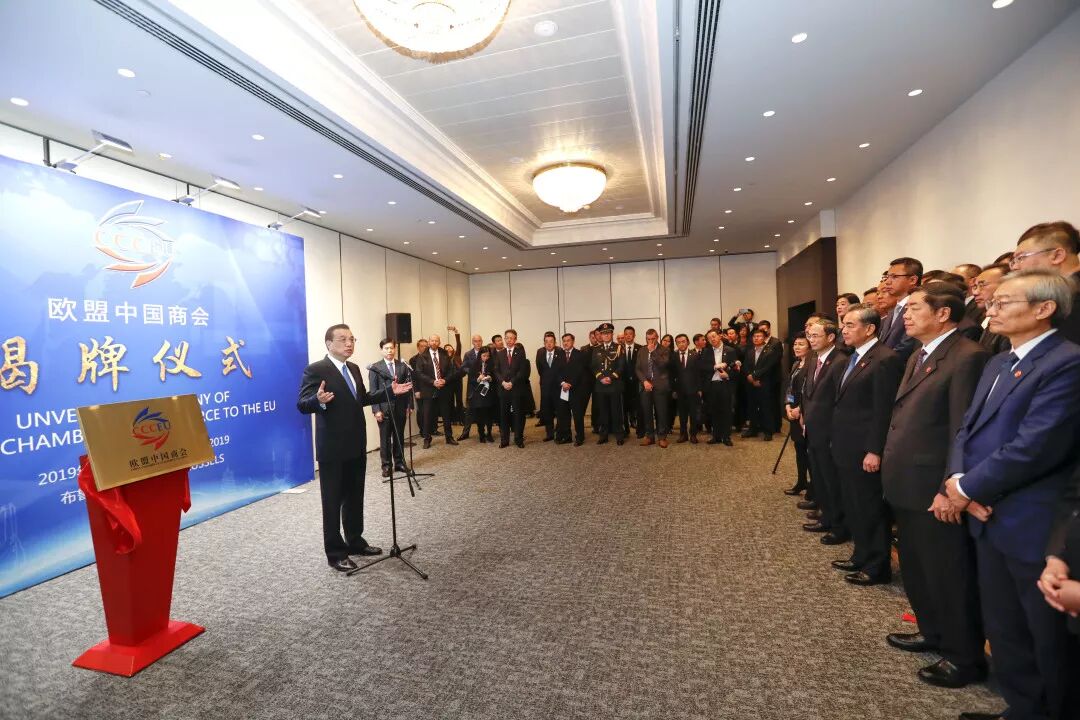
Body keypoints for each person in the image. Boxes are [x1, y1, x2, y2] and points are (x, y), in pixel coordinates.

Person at [942, 270, 1080, 720]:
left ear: (1044, 308)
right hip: (985, 513)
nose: (991, 309)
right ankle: (1021, 708)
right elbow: (967, 429)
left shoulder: (1066, 363)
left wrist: (967, 487)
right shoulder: (999, 361)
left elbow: (1035, 447)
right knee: (1005, 627)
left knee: (1045, 637)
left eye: (1004, 302)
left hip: (1031, 520)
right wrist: (959, 481)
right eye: (992, 301)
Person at [879, 284, 990, 689]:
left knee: (947, 573)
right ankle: (932, 631)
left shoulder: (967, 356)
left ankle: (963, 657)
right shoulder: (919, 353)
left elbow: (963, 429)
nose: (905, 316)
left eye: (914, 308)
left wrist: (949, 487)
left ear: (943, 314)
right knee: (917, 567)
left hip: (934, 487)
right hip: (907, 481)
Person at [297, 324, 412, 572]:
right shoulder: (316, 369)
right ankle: (335, 553)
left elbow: (362, 399)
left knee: (354, 496)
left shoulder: (354, 368)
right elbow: (302, 404)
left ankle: (355, 541)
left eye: (352, 339)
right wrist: (317, 400)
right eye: (343, 339)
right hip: (333, 448)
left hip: (356, 445)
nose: (349, 344)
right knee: (332, 501)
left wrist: (389, 392)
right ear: (329, 344)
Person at [831, 303, 903, 586]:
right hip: (846, 445)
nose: (844, 330)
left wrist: (875, 450)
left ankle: (877, 566)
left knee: (870, 508)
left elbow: (883, 410)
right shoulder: (854, 356)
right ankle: (861, 554)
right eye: (844, 325)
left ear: (870, 328)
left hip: (865, 449)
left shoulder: (885, 359)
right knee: (854, 504)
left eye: (850, 325)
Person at [801, 317, 850, 545]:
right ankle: (826, 517)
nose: (811, 340)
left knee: (832, 481)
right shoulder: (814, 358)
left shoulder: (840, 361)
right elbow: (809, 393)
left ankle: (839, 526)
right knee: (820, 479)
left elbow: (840, 401)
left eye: (816, 336)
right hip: (813, 429)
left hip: (829, 432)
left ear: (831, 337)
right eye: (809, 335)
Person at [1011, 220, 1080, 344]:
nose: (1015, 267)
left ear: (1057, 256)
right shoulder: (1055, 292)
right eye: (1014, 261)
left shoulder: (1073, 296)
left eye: (1021, 258)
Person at [368, 338, 412, 479]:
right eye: (386, 348)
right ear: (381, 350)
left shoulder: (402, 366)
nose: (389, 351)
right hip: (383, 409)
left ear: (395, 349)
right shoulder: (375, 368)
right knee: (385, 438)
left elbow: (408, 388)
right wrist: (376, 410)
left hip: (400, 407)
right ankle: (386, 466)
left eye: (391, 348)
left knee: (399, 436)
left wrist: (409, 405)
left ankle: (399, 463)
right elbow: (373, 391)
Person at [413, 333, 462, 449]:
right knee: (427, 415)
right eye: (432, 340)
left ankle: (449, 437)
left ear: (439, 342)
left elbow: (451, 371)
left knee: (446, 414)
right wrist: (432, 382)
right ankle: (427, 439)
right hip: (429, 389)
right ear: (429, 342)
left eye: (436, 341)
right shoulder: (422, 356)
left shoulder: (444, 353)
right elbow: (419, 373)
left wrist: (445, 380)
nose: (434, 343)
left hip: (444, 389)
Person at [696, 329, 737, 445]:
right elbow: (702, 367)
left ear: (720, 336)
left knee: (726, 411)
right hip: (711, 385)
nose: (712, 339)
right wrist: (715, 367)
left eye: (714, 336)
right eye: (709, 338)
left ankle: (726, 437)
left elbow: (736, 368)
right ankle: (716, 436)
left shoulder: (730, 350)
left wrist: (728, 374)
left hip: (725, 384)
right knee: (713, 411)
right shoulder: (705, 352)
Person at [881, 256, 923, 363]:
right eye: (887, 277)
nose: (887, 282)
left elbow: (906, 346)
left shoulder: (918, 308)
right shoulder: (893, 310)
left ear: (913, 280)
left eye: (894, 277)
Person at [742, 327, 781, 441]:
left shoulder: (770, 351)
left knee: (766, 407)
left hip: (764, 382)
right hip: (751, 383)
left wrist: (754, 376)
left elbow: (768, 367)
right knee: (752, 407)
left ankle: (768, 431)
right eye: (754, 336)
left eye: (759, 336)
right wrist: (750, 376)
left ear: (764, 338)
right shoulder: (750, 351)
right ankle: (753, 429)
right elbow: (745, 366)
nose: (756, 338)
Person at [784, 333, 811, 495]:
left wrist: (800, 409)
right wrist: (788, 405)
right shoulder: (795, 364)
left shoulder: (812, 365)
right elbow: (790, 388)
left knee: (809, 451)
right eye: (795, 344)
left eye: (801, 344)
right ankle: (801, 481)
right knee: (799, 449)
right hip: (793, 412)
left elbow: (810, 392)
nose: (796, 347)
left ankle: (813, 487)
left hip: (805, 413)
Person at [591, 323, 626, 445]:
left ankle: (619, 435)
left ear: (612, 334)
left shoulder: (619, 347)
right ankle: (603, 435)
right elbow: (593, 366)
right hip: (601, 385)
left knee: (616, 411)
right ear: (600, 335)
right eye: (603, 333)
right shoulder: (596, 349)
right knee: (603, 412)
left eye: (608, 333)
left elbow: (621, 366)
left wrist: (611, 377)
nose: (606, 335)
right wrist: (601, 378)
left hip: (614, 384)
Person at [635, 329, 671, 447]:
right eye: (648, 339)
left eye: (653, 339)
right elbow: (638, 369)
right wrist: (644, 381)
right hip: (646, 386)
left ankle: (662, 437)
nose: (650, 341)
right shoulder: (642, 350)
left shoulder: (665, 349)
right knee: (646, 412)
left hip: (660, 385)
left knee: (661, 412)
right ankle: (649, 436)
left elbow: (663, 365)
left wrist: (653, 352)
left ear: (657, 337)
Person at [494, 329, 529, 448]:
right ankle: (504, 440)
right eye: (507, 338)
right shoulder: (499, 353)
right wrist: (503, 382)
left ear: (515, 339)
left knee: (518, 415)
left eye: (511, 338)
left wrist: (512, 382)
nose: (509, 340)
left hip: (516, 388)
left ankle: (518, 439)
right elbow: (496, 371)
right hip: (503, 389)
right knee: (504, 415)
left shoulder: (520, 353)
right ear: (504, 339)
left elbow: (522, 371)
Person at [556, 333, 587, 445]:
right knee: (564, 414)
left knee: (578, 415)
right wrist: (563, 383)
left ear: (573, 341)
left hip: (576, 390)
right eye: (564, 341)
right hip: (563, 389)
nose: (565, 343)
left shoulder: (580, 354)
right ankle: (567, 436)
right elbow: (556, 372)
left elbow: (580, 372)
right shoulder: (559, 355)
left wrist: (570, 383)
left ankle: (580, 437)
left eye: (568, 340)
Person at [973, 264, 1011, 354]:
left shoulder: (1010, 324)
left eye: (982, 285)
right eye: (975, 287)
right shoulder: (982, 317)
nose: (975, 292)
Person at [456, 332, 485, 441]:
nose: (478, 343)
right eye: (475, 341)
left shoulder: (486, 352)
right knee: (469, 411)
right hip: (472, 386)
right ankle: (465, 433)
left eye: (479, 341)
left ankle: (482, 433)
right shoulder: (468, 354)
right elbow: (464, 367)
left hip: (484, 385)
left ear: (482, 341)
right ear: (473, 342)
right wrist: (474, 372)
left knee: (481, 410)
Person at [465, 345, 497, 442]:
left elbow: (497, 377)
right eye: (484, 356)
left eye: (488, 356)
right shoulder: (474, 365)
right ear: (480, 355)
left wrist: (490, 378)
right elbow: (471, 380)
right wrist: (478, 379)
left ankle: (489, 433)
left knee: (489, 415)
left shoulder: (492, 364)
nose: (486, 358)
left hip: (489, 393)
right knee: (480, 415)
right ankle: (481, 434)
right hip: (478, 394)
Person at [672, 333, 699, 444]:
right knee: (682, 414)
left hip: (693, 390)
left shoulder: (695, 355)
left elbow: (699, 374)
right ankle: (683, 435)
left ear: (688, 342)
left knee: (693, 414)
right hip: (680, 390)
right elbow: (671, 374)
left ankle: (693, 435)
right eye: (678, 342)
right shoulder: (673, 356)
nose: (681, 344)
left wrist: (700, 389)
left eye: (683, 341)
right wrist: (673, 390)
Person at [536, 332, 562, 442]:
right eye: (546, 342)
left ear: (555, 342)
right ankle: (549, 433)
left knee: (560, 411)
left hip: (558, 387)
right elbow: (540, 369)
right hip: (546, 387)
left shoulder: (560, 351)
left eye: (551, 341)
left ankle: (560, 432)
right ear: (544, 343)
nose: (549, 344)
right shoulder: (540, 352)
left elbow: (562, 369)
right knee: (547, 411)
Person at [621, 326, 642, 439]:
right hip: (622, 383)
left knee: (639, 407)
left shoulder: (640, 348)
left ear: (634, 335)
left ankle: (640, 430)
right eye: (626, 334)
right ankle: (625, 430)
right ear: (624, 335)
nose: (628, 336)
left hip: (637, 382)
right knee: (623, 407)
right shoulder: (619, 348)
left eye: (630, 334)